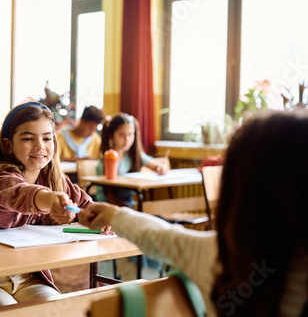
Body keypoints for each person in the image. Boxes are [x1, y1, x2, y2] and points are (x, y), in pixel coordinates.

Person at [79, 110, 308, 316]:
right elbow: (160, 234)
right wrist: (114, 214)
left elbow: (162, 237)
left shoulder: (220, 259)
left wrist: (113, 215)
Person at [0, 101, 94, 312]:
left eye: (47, 138)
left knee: (59, 311)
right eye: (28, 138)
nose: (40, 146)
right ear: (8, 145)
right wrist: (52, 200)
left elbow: (86, 205)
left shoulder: (55, 180)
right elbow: (22, 194)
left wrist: (101, 217)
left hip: (29, 277)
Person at [96, 113, 169, 208]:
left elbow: (157, 166)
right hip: (108, 206)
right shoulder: (106, 160)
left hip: (128, 205)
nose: (127, 139)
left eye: (130, 134)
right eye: (122, 135)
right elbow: (109, 195)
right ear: (111, 135)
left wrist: (161, 168)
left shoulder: (133, 156)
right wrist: (131, 212)